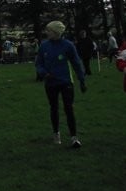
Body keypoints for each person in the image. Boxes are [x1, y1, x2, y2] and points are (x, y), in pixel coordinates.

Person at [35, 20, 87, 148]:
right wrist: (43, 73)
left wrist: (81, 80)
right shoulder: (44, 46)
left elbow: (76, 63)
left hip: (65, 82)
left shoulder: (68, 45)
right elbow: (39, 63)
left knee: (69, 108)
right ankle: (56, 133)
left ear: (56, 32)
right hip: (50, 83)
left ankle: (74, 137)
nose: (46, 32)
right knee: (54, 108)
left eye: (49, 30)